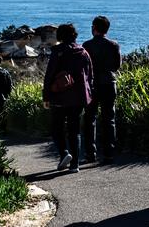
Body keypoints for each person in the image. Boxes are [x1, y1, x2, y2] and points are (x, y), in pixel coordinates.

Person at [43, 24, 93, 173]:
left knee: (56, 128)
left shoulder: (58, 52)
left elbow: (49, 75)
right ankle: (75, 165)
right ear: (74, 35)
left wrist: (46, 96)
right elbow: (89, 76)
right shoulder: (83, 52)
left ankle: (65, 153)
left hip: (60, 97)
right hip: (78, 98)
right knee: (74, 130)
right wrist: (89, 95)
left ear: (60, 35)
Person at [82, 15, 121, 163]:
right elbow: (117, 66)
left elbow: (83, 68)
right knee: (109, 119)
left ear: (94, 28)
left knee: (90, 119)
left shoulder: (86, 45)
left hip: (92, 85)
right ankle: (109, 153)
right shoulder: (114, 45)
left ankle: (90, 154)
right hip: (109, 83)